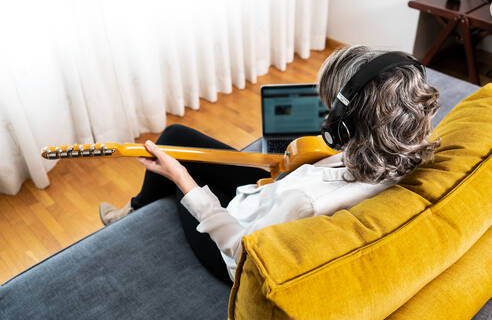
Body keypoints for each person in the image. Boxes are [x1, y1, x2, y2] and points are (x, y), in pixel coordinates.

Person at [99, 45, 440, 285]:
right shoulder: (400, 149)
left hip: (232, 251)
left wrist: (183, 179)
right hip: (273, 194)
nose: (325, 119)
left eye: (330, 113)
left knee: (174, 166)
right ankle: (136, 205)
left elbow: (241, 251)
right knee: (175, 135)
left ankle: (132, 211)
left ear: (345, 129)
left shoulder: (306, 204)